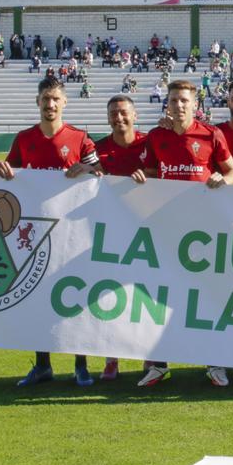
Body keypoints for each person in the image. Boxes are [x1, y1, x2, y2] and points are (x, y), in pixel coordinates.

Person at [0, 77, 101, 388]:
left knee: (75, 298)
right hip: (34, 235)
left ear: (64, 102)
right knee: (37, 300)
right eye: (45, 99)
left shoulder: (81, 139)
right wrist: (1, 169)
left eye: (55, 99)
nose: (50, 104)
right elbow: (8, 174)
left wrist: (89, 169)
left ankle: (81, 364)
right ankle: (42, 365)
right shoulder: (24, 139)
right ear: (37, 102)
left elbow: (104, 177)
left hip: (73, 235)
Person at [133, 80, 233, 388]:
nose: (179, 105)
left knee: (208, 296)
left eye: (184, 101)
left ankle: (215, 362)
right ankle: (158, 363)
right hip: (167, 228)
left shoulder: (211, 134)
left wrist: (225, 180)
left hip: (205, 230)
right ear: (166, 104)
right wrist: (142, 176)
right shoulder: (156, 137)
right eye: (174, 100)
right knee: (161, 296)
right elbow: (154, 172)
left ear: (195, 105)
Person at [93, 95, 150, 381]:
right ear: (108, 118)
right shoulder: (98, 148)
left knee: (148, 294)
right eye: (114, 113)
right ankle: (111, 357)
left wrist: (148, 174)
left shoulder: (148, 143)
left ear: (135, 115)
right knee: (110, 295)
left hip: (148, 231)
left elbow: (163, 170)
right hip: (111, 233)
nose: (119, 118)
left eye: (124, 113)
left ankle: (150, 356)